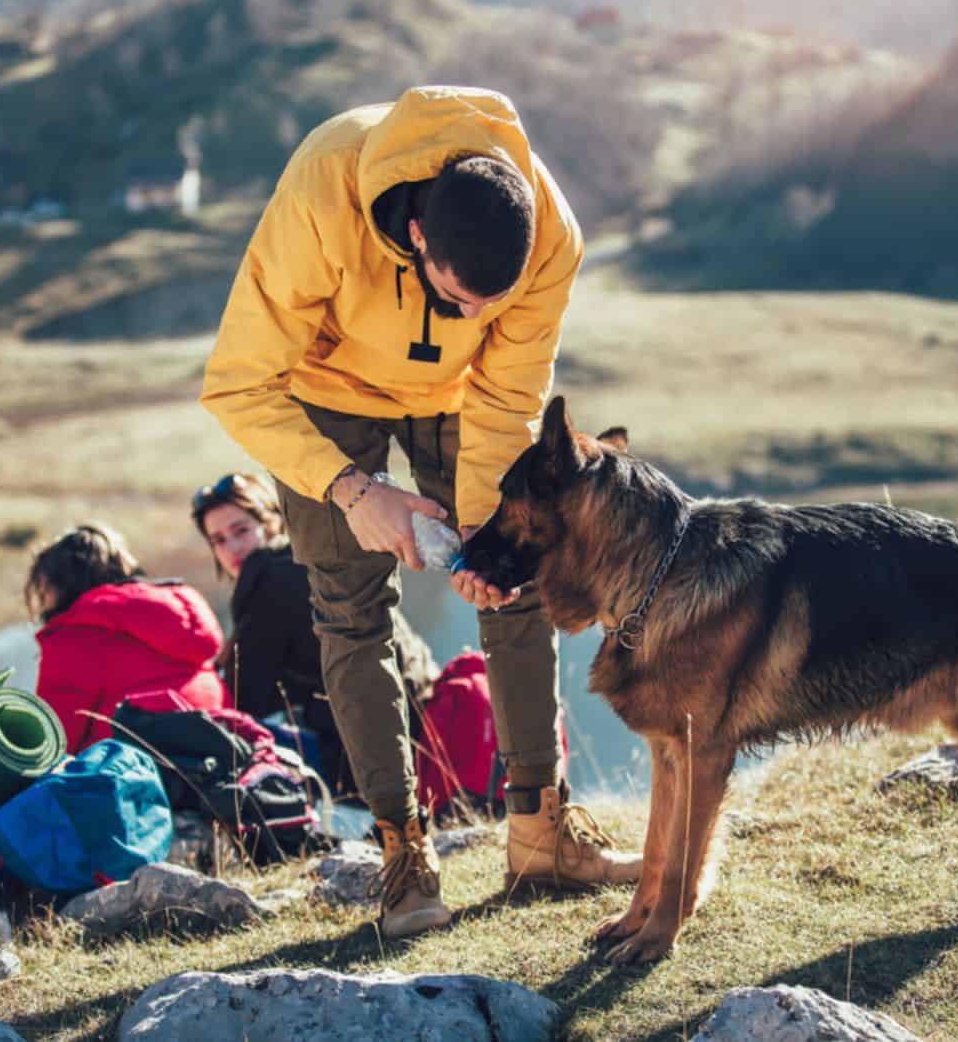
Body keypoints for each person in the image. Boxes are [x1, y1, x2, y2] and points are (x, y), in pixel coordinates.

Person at [200, 85, 639, 938]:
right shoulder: (321, 194)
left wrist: (481, 535)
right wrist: (352, 490)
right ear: (416, 236)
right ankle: (405, 853)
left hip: (460, 397)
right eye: (458, 295)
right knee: (350, 613)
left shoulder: (550, 235)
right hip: (326, 393)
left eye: (489, 305)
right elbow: (237, 384)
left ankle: (540, 830)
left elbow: (511, 395)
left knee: (515, 579)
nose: (474, 315)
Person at [189, 471, 437, 800]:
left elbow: (248, 694)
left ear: (272, 521)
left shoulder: (268, 577)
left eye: (241, 530)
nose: (232, 548)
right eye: (218, 540)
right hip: (413, 721)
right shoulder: (316, 560)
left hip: (362, 754)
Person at [0, 524, 226, 752]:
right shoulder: (181, 612)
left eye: (42, 591)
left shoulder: (75, 635)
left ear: (55, 586)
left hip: (138, 789)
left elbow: (48, 748)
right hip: (219, 765)